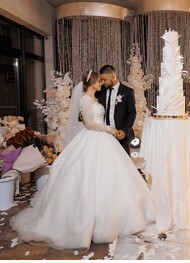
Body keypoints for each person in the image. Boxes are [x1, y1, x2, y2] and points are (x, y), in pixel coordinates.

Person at [10, 71, 155, 251]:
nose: (101, 83)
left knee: (113, 177)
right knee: (87, 177)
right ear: (92, 82)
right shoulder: (85, 100)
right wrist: (110, 130)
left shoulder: (95, 98)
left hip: (104, 141)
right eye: (99, 81)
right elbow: (89, 124)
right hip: (93, 139)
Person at [96, 65, 135, 155]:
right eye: (101, 80)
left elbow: (131, 114)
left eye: (104, 79)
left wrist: (125, 131)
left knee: (123, 163)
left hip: (120, 135)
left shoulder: (127, 92)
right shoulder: (99, 91)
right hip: (103, 135)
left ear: (113, 77)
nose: (102, 82)